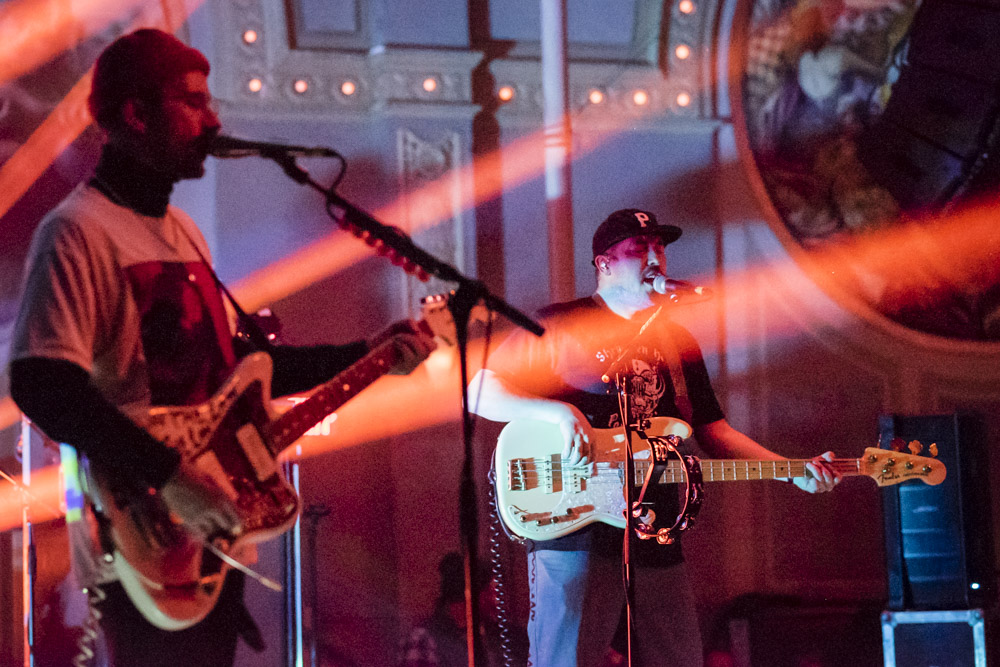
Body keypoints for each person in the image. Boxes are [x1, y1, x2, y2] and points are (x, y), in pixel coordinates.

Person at [8, 28, 432, 666]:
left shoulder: (182, 232)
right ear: (135, 114)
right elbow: (43, 384)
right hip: (143, 528)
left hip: (208, 529)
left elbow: (239, 371)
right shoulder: (77, 232)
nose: (214, 120)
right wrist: (172, 479)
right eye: (194, 103)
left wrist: (368, 353)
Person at [470, 209, 841, 667]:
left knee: (680, 658)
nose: (655, 258)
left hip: (656, 524)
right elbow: (479, 390)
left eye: (659, 247)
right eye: (638, 249)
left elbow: (713, 431)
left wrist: (790, 470)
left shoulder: (677, 340)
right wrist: (555, 411)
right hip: (574, 525)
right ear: (604, 264)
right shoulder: (562, 326)